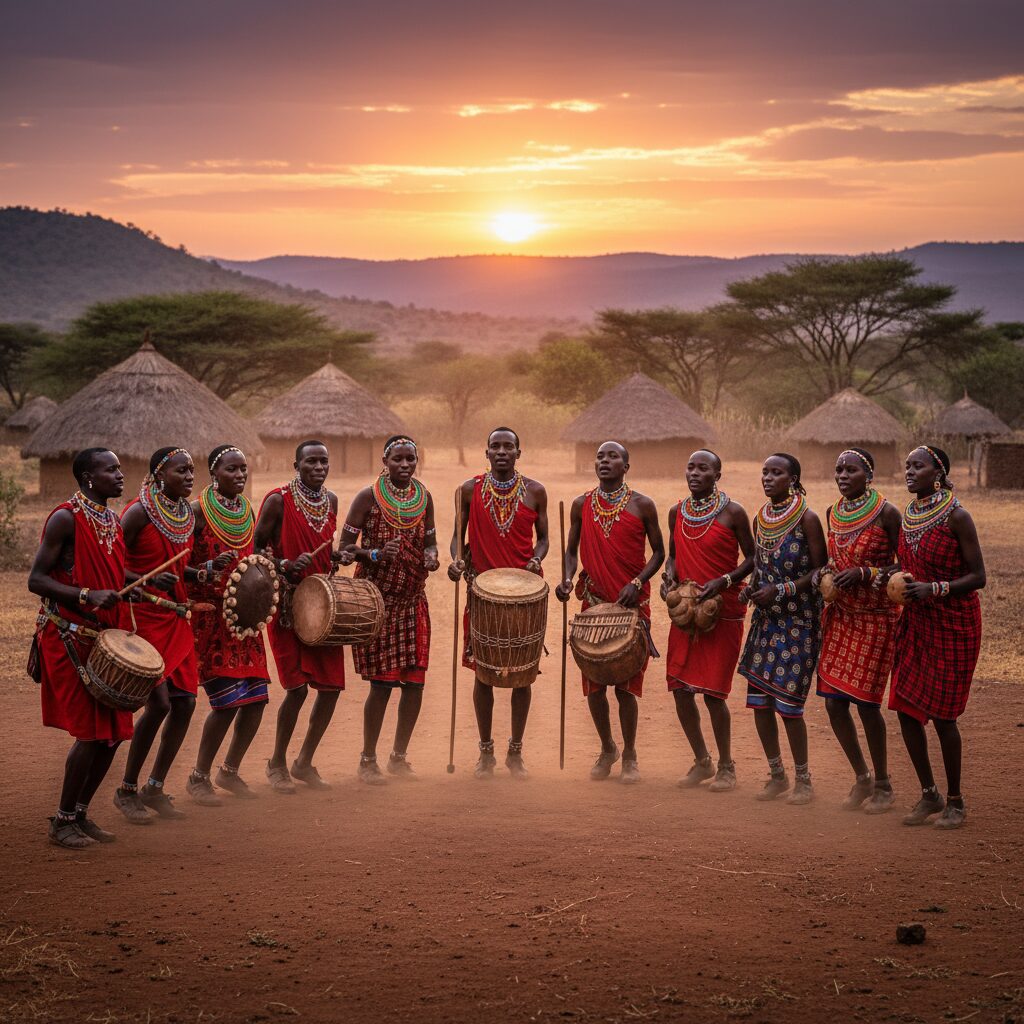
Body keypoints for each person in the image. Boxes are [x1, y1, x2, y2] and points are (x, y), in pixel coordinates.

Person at [28, 449, 133, 848]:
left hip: (103, 638)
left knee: (116, 731)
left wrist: (143, 582)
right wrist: (89, 594)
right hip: (67, 635)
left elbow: (111, 567)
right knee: (90, 733)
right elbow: (37, 580)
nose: (120, 475)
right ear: (89, 477)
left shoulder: (111, 520)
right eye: (111, 469)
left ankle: (81, 814)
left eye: (120, 468)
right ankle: (62, 820)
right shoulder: (64, 518)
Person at [887, 445, 985, 830]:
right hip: (917, 622)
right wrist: (885, 576)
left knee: (944, 717)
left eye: (918, 465)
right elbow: (905, 565)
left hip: (954, 624)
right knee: (905, 707)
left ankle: (956, 801)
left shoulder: (958, 516)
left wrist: (936, 589)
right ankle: (929, 794)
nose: (909, 471)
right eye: (907, 465)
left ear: (938, 473)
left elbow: (979, 577)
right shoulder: (910, 514)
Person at [556, 442, 664, 784]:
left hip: (632, 607)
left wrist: (637, 581)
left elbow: (659, 554)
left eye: (613, 456)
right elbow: (571, 551)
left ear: (626, 466)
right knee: (595, 685)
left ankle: (630, 753)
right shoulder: (580, 504)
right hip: (594, 604)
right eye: (600, 456)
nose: (605, 461)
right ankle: (607, 748)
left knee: (626, 687)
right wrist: (566, 578)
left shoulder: (643, 505)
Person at [448, 427, 549, 779]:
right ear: (486, 452)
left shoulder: (536, 492)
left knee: (523, 675)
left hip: (524, 598)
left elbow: (544, 539)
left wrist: (536, 560)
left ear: (519, 452)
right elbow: (456, 540)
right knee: (484, 674)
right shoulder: (468, 490)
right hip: (482, 594)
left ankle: (515, 753)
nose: (502, 451)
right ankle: (486, 752)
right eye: (496, 446)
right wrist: (457, 561)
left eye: (509, 446)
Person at [339, 436, 439, 783]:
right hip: (377, 601)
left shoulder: (423, 497)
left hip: (413, 600)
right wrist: (376, 554)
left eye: (411, 459)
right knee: (381, 685)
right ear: (385, 460)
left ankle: (399, 757)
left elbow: (430, 542)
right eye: (398, 459)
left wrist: (432, 558)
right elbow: (344, 550)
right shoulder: (367, 497)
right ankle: (368, 760)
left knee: (414, 684)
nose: (405, 465)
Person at [114, 448, 202, 823]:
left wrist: (200, 574)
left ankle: (155, 785)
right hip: (143, 618)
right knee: (161, 704)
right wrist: (143, 579)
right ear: (158, 473)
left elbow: (182, 567)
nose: (188, 476)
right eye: (180, 470)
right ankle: (127, 789)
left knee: (185, 704)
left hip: (176, 619)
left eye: (191, 471)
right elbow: (110, 567)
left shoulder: (186, 515)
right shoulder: (136, 512)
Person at [813, 448, 901, 813]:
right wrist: (824, 574)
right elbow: (831, 559)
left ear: (869, 474)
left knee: (866, 703)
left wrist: (867, 573)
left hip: (877, 617)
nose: (843, 475)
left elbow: (905, 565)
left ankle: (883, 784)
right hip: (843, 615)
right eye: (839, 470)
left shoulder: (888, 513)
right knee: (834, 702)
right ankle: (861, 777)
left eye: (851, 470)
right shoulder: (834, 513)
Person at [662, 450, 754, 792]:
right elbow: (672, 556)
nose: (695, 473)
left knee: (714, 693)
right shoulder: (676, 512)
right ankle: (702, 761)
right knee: (680, 688)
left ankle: (727, 766)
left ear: (718, 474)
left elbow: (753, 559)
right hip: (686, 612)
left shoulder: (734, 513)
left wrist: (725, 581)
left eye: (704, 468)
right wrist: (669, 577)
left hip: (721, 611)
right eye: (690, 467)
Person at [255, 440, 344, 792]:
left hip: (323, 607)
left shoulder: (332, 500)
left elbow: (327, 548)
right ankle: (277, 763)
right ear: (296, 464)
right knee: (296, 689)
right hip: (288, 606)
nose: (319, 467)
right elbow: (256, 547)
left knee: (332, 688)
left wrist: (337, 558)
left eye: (324, 461)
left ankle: (304, 761)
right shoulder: (278, 500)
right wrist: (284, 565)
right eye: (311, 461)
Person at [738, 453, 826, 805]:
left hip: (800, 622)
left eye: (777, 473)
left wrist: (783, 590)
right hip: (766, 621)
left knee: (788, 705)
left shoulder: (808, 518)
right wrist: (752, 587)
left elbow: (821, 573)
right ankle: (777, 775)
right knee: (759, 701)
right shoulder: (761, 518)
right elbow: (760, 566)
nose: (768, 478)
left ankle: (804, 780)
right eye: (765, 472)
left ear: (793, 479)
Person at [185, 445, 269, 805]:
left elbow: (249, 557)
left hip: (245, 620)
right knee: (226, 702)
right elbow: (179, 568)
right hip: (210, 619)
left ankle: (229, 771)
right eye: (232, 469)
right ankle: (198, 777)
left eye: (243, 469)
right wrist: (206, 571)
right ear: (213, 473)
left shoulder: (246, 510)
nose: (240, 475)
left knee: (257, 699)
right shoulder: (197, 513)